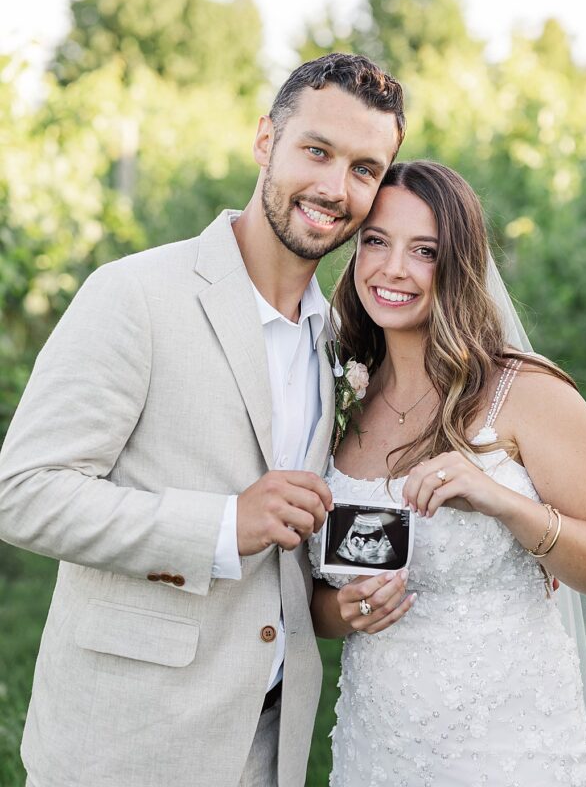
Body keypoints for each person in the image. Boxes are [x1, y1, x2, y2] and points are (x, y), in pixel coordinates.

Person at [0, 53, 405, 787]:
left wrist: (332, 600)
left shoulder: (338, 340)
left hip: (269, 745)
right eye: (316, 151)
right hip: (125, 745)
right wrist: (221, 528)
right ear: (264, 142)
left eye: (363, 169)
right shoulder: (136, 295)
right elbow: (22, 492)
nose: (333, 187)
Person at [309, 159, 586, 787]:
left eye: (424, 251)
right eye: (375, 242)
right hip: (379, 742)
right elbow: (311, 601)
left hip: (509, 746)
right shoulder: (336, 395)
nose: (393, 269)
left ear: (460, 266)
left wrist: (504, 503)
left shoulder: (529, 394)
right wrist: (344, 609)